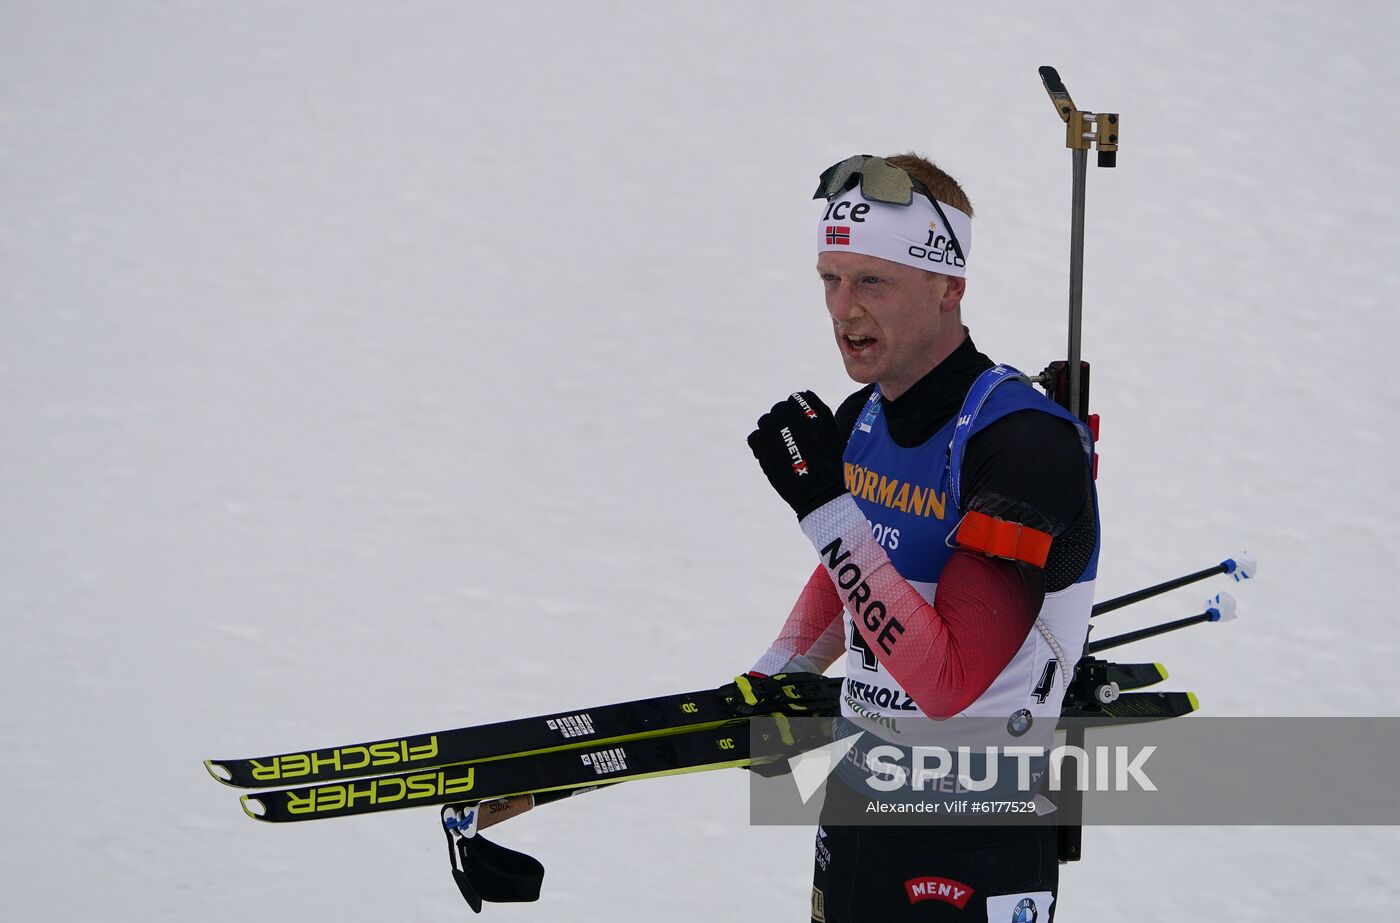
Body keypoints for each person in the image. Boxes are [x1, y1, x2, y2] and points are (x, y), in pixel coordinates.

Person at [745, 154, 1100, 922]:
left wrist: (823, 508)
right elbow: (856, 577)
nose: (844, 309)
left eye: (873, 281)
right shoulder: (863, 417)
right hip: (858, 806)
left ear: (949, 287)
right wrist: (778, 671)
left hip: (974, 832)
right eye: (830, 279)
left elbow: (948, 682)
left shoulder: (1022, 445)